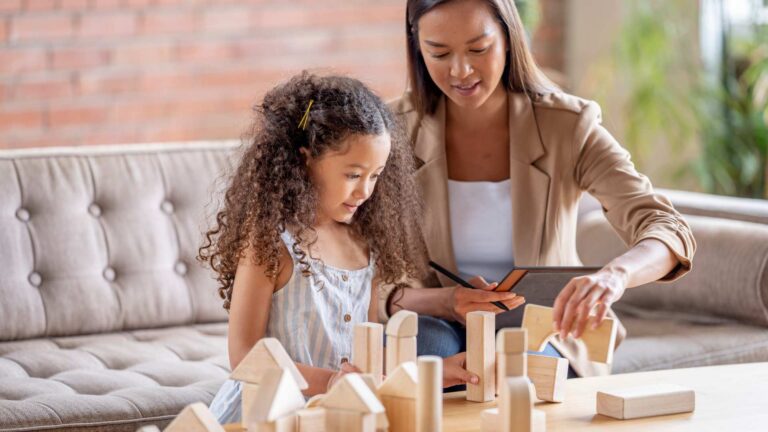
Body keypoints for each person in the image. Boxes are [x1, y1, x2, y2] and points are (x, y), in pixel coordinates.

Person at [383, 0, 697, 383]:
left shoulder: (567, 127)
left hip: (543, 324)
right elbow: (350, 265)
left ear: (509, 38)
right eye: (440, 53)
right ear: (417, 47)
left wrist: (614, 276)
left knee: (520, 375)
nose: (461, 70)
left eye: (478, 49)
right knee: (425, 363)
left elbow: (666, 227)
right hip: (434, 316)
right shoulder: (389, 132)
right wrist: (446, 302)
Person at [198, 72, 427, 423]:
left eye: (375, 175)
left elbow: (367, 348)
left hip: (337, 414)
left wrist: (426, 373)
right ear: (306, 159)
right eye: (353, 175)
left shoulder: (365, 244)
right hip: (266, 413)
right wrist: (331, 382)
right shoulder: (270, 243)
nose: (365, 191)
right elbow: (244, 356)